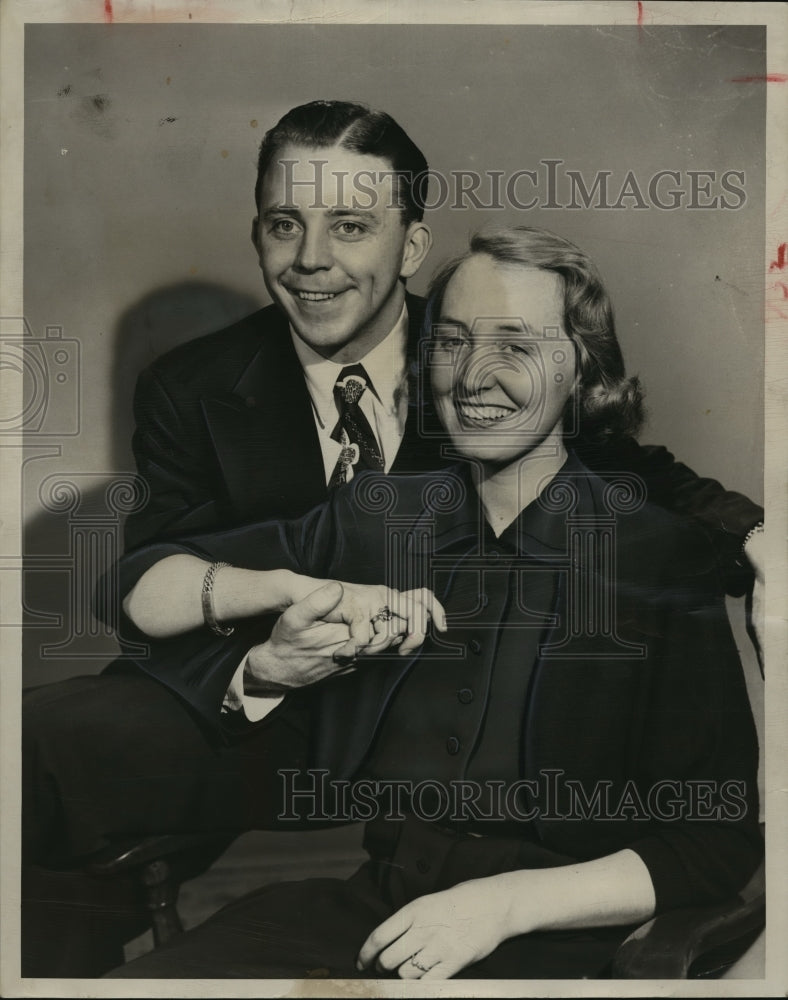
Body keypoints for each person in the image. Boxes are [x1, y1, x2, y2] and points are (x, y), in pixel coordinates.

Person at [22, 101, 764, 976]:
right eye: (284, 225)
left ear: (409, 248)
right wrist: (277, 617)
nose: (312, 260)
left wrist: (756, 539)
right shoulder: (270, 438)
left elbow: (639, 476)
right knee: (38, 747)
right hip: (286, 719)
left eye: (350, 226)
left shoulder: (643, 542)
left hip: (517, 894)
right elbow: (145, 579)